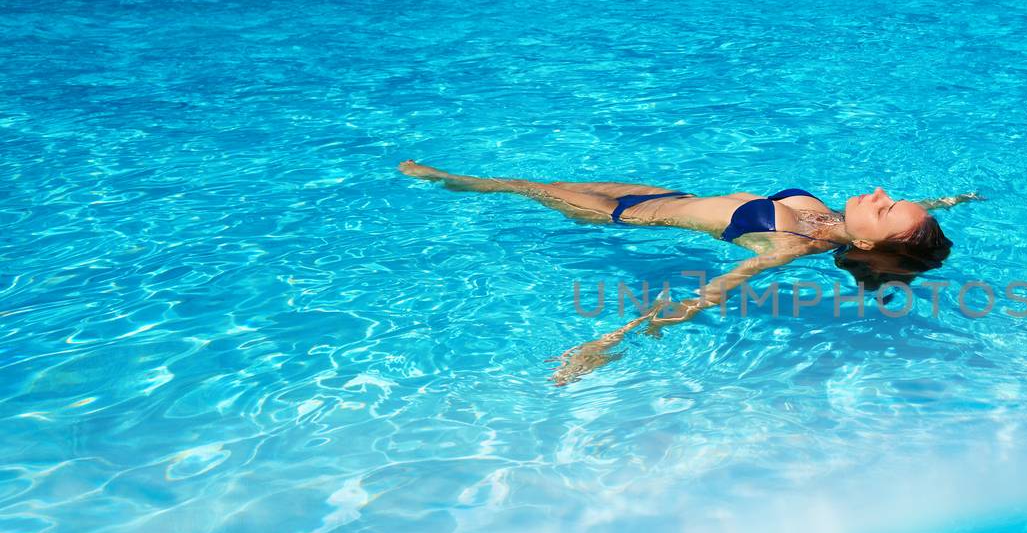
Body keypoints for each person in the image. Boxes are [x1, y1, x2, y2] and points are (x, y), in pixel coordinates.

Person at [397, 161, 982, 383]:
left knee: (523, 185)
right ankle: (449, 175)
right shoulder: (835, 221)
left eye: (884, 208)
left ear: (868, 241)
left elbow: (703, 296)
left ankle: (437, 177)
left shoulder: (786, 247)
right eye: (891, 196)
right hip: (662, 196)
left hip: (626, 220)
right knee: (550, 178)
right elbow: (902, 233)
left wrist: (608, 342)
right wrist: (952, 204)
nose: (879, 192)